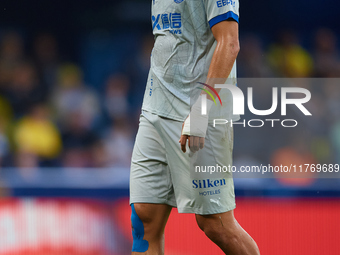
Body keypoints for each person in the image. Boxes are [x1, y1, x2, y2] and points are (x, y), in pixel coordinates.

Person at [129, 0, 260, 254]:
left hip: (200, 113)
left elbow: (230, 44)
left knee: (216, 225)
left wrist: (201, 112)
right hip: (155, 110)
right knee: (144, 219)